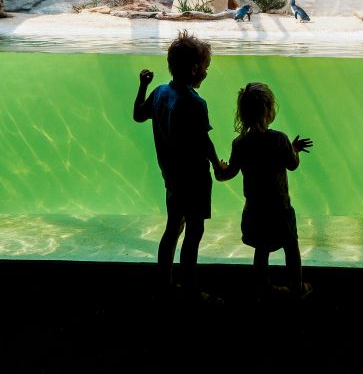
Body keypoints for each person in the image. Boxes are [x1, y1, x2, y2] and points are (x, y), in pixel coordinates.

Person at [133, 30, 223, 304]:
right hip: (194, 178)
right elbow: (203, 140)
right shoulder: (195, 102)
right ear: (195, 68)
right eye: (206, 68)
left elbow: (138, 115)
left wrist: (143, 85)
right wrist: (218, 165)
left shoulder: (160, 92)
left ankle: (165, 284)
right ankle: (191, 290)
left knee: (173, 227)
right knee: (194, 232)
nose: (206, 73)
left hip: (171, 178)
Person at [215, 82, 313, 301]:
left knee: (261, 249)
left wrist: (218, 168)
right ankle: (296, 286)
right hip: (280, 208)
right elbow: (292, 165)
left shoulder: (240, 143)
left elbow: (228, 173)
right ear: (270, 110)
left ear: (242, 113)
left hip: (255, 209)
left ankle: (262, 286)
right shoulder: (279, 139)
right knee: (291, 246)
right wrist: (294, 150)